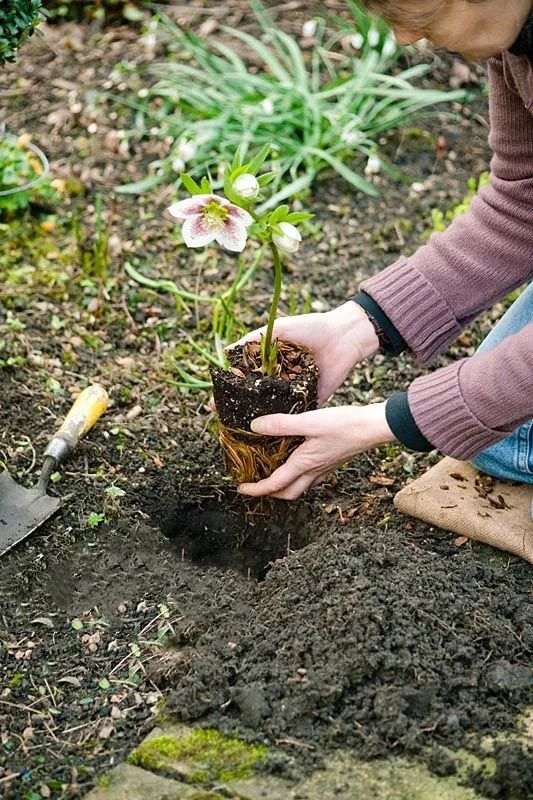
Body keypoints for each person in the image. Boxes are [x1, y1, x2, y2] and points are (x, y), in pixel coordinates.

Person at [232, 0, 533, 562]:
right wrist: (358, 323)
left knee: (511, 439)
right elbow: (524, 200)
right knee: (506, 439)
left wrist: (391, 420)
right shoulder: (513, 36)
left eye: (420, 14)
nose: (402, 38)